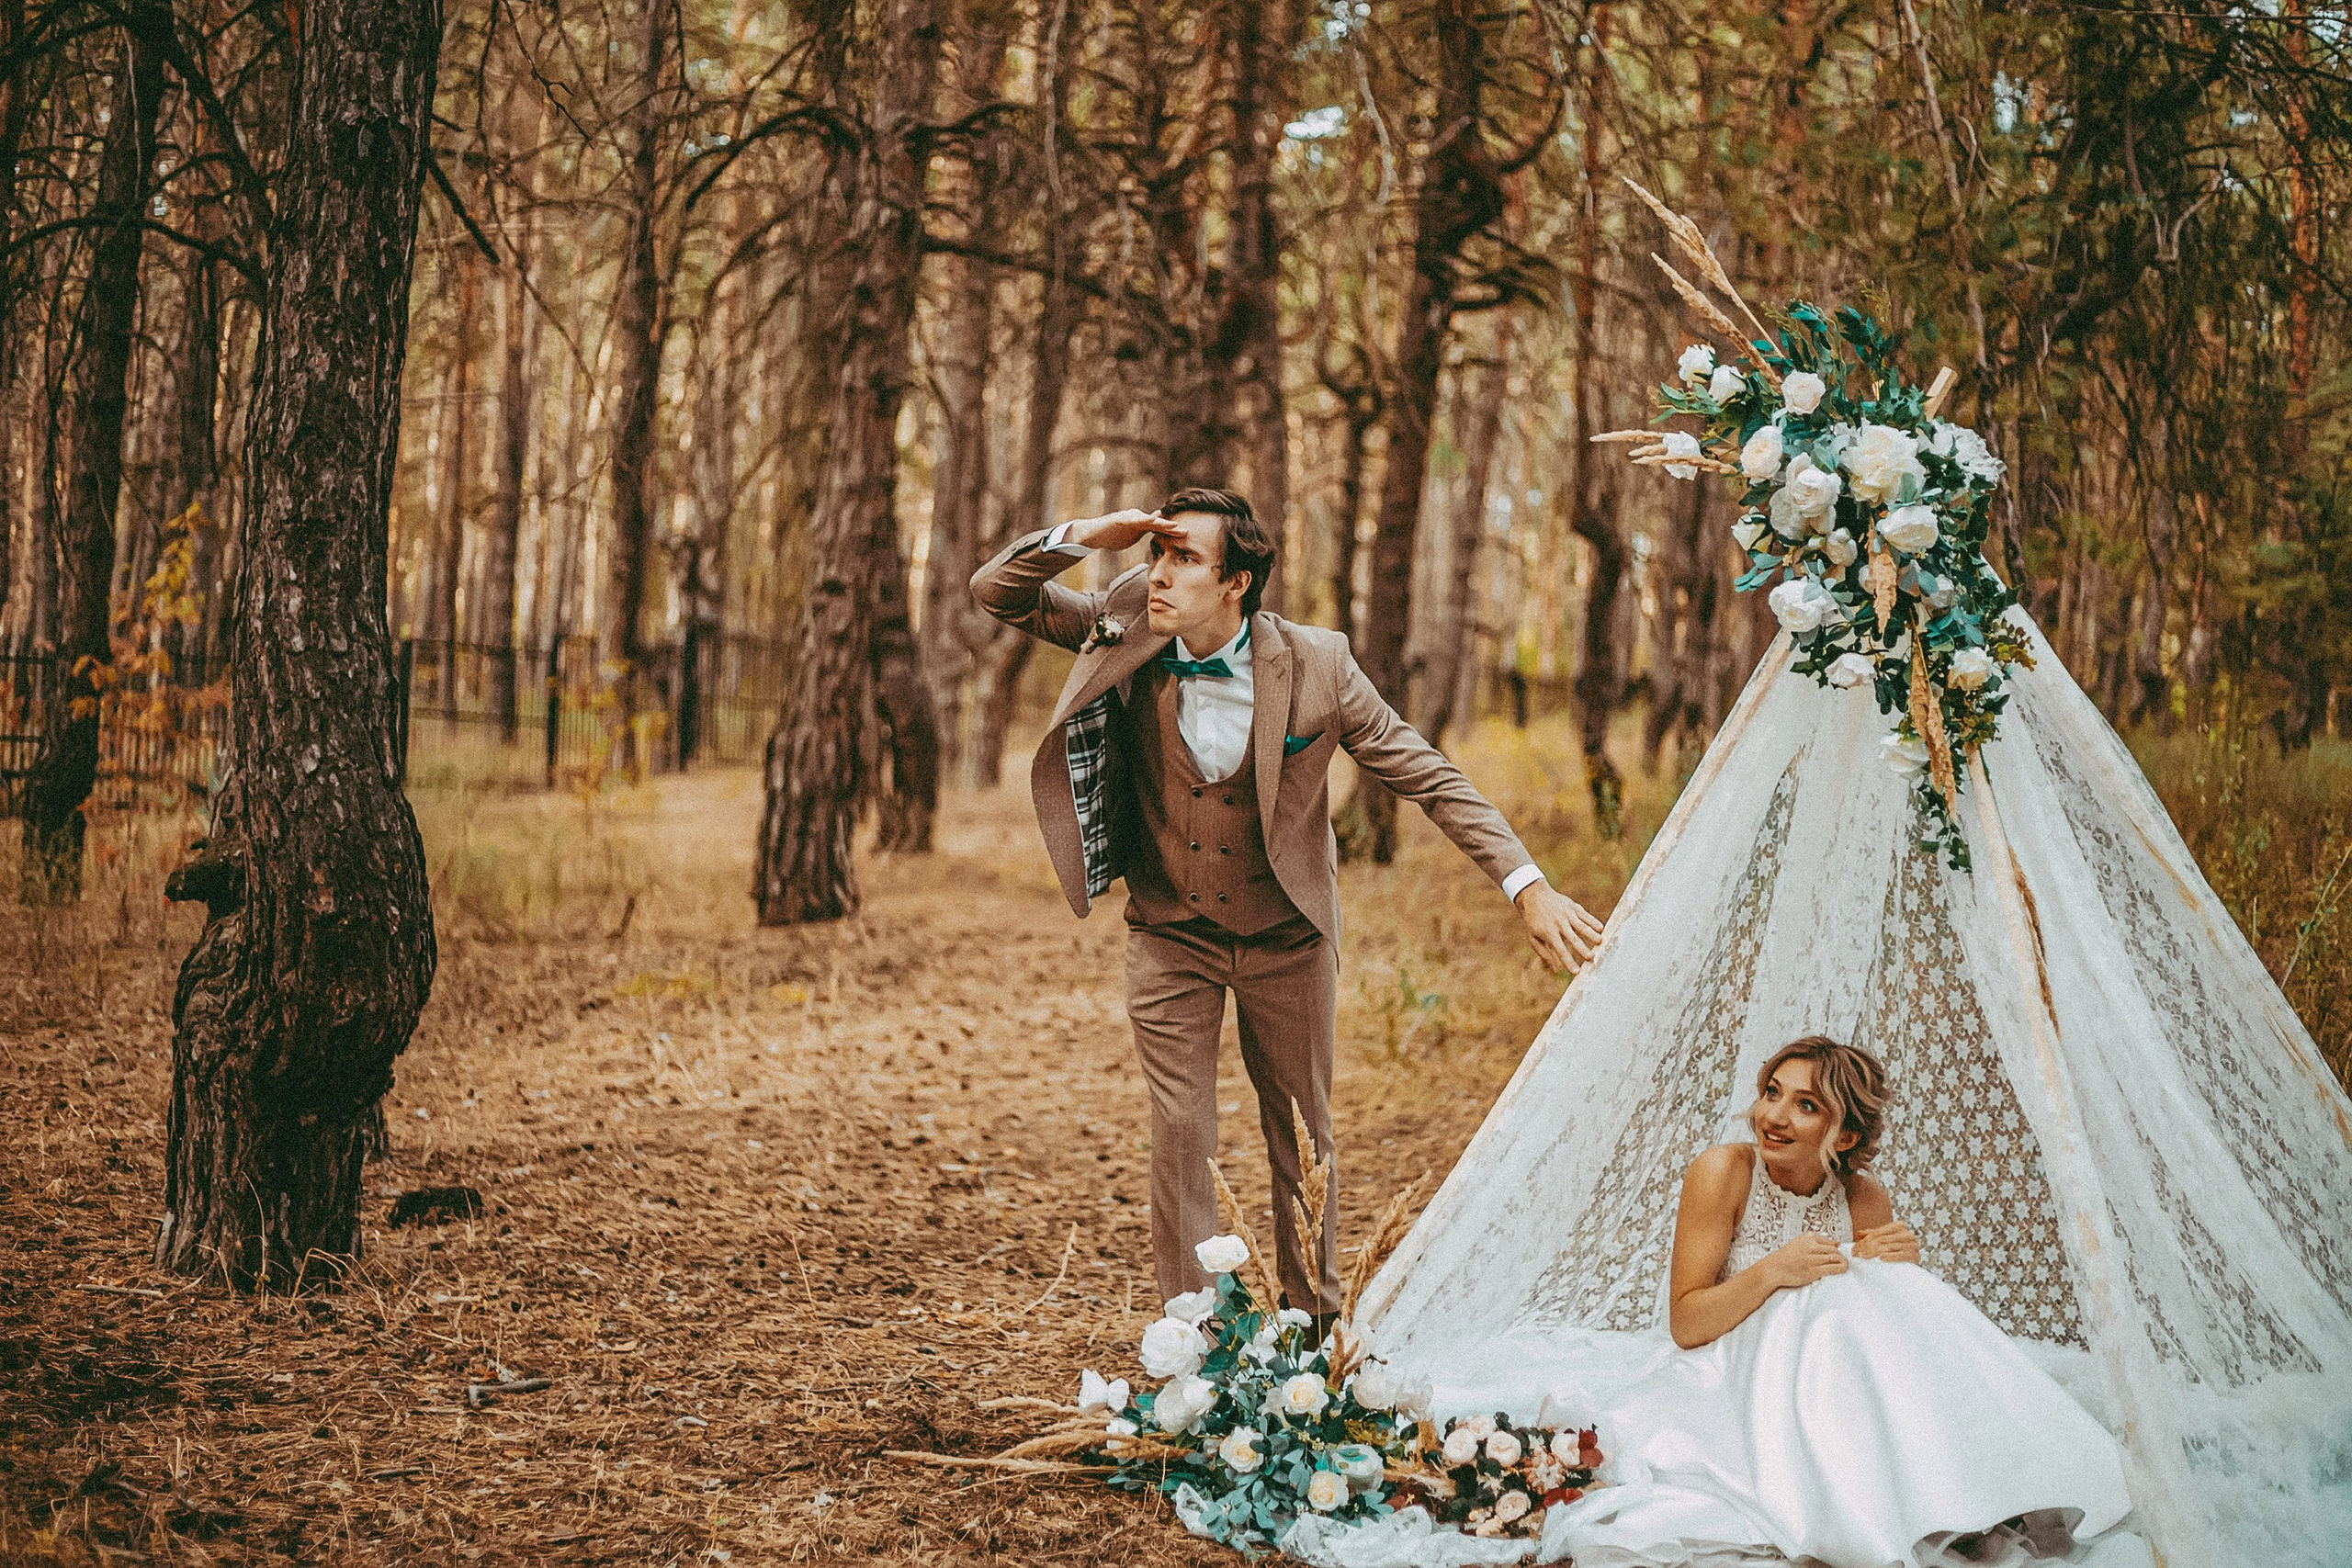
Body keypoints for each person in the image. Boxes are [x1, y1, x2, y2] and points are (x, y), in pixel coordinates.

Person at [969, 489, 1603, 1317]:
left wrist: (1527, 884)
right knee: (1183, 1134)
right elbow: (996, 590)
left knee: (1303, 1138)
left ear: (1236, 583)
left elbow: (1429, 776)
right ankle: (1196, 1340)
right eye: (1157, 554)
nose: (1159, 573)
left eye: (1184, 558)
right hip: (1169, 934)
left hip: (1286, 937)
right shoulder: (1122, 621)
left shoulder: (1317, 665)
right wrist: (1086, 535)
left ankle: (1310, 1332)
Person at [1542, 1037, 2143, 1568]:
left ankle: (1966, 1486)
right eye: (1772, 1091)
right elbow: (1687, 1323)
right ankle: (1850, 1513)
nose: (1773, 1115)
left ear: (1846, 1134)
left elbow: (1883, 1341)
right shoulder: (1724, 1169)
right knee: (1829, 1308)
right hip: (1721, 1376)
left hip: (1825, 1390)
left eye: (1806, 1105)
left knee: (1869, 1293)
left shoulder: (1862, 1197)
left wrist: (1897, 1268)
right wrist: (1775, 1269)